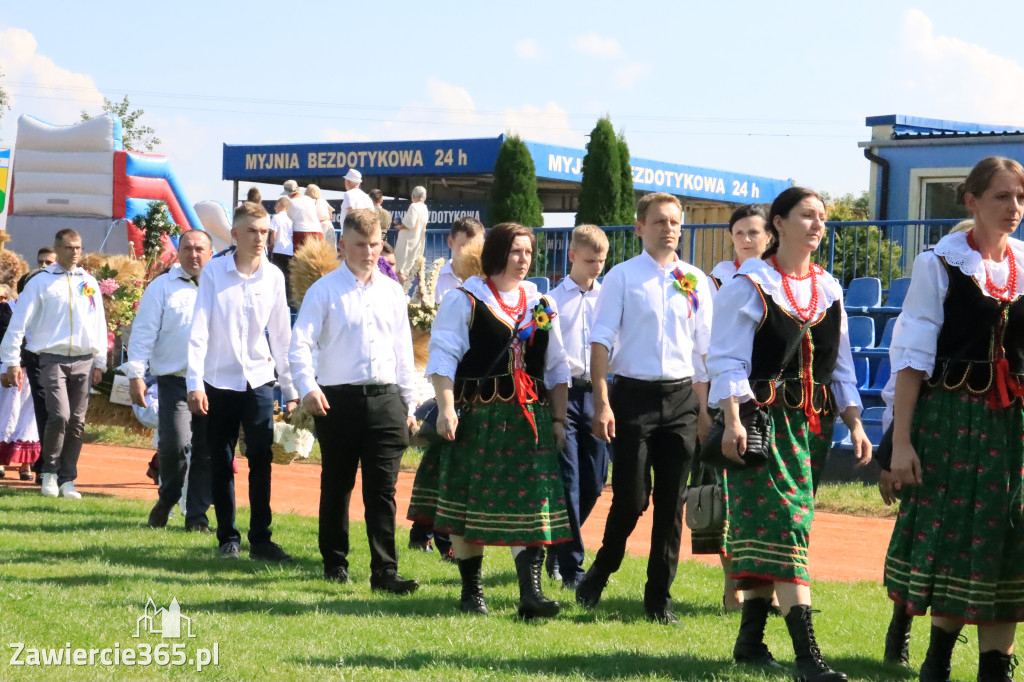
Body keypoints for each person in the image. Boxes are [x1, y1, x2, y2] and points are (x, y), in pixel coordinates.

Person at [707, 186, 870, 681]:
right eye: (806, 216)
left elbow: (839, 365)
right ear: (778, 223)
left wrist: (855, 421)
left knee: (769, 529)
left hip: (811, 429)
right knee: (786, 527)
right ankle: (808, 659)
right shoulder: (749, 283)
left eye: (822, 217)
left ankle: (750, 644)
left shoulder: (830, 289)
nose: (817, 225)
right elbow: (726, 359)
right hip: (762, 424)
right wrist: (733, 419)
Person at [885, 157, 1024, 682]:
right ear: (971, 201)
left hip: (1014, 429)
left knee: (1011, 537)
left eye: (1019, 198)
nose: (1013, 208)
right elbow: (912, 357)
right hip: (953, 423)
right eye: (1001, 198)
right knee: (953, 539)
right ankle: (937, 664)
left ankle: (996, 671)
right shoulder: (938, 263)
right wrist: (900, 443)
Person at [407, 222, 573, 618]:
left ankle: (530, 595)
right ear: (497, 253)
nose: (523, 260)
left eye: (529, 253)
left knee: (531, 507)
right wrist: (446, 408)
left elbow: (557, 366)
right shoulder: (465, 299)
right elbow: (443, 357)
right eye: (516, 252)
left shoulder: (541, 304)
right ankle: (471, 593)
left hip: (528, 419)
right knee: (467, 507)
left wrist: (559, 420)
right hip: (477, 419)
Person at [575, 192, 713, 625]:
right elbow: (600, 342)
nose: (669, 228)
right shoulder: (622, 277)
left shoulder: (695, 280)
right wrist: (602, 401)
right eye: (659, 221)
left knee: (673, 504)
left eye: (675, 221)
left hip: (682, 400)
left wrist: (705, 410)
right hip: (632, 397)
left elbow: (705, 352)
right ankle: (602, 568)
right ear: (639, 228)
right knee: (633, 499)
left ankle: (659, 599)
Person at [290, 209, 420, 594]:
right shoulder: (324, 290)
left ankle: (385, 572)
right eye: (360, 244)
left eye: (375, 244)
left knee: (382, 489)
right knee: (337, 485)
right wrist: (307, 386)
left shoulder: (393, 290)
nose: (368, 251)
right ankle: (335, 563)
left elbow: (403, 353)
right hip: (337, 401)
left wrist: (408, 406)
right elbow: (299, 344)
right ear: (342, 245)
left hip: (386, 400)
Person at [186, 201, 299, 561]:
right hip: (219, 381)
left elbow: (282, 337)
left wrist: (292, 389)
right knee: (221, 459)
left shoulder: (274, 276)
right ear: (234, 234)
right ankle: (227, 539)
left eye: (264, 231)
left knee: (261, 458)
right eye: (251, 231)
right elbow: (199, 329)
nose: (259, 238)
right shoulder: (215, 272)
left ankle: (261, 540)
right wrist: (194, 382)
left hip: (260, 380)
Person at [698, 204, 773, 612]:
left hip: (771, 402)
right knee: (728, 496)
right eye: (739, 231)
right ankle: (733, 589)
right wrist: (707, 405)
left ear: (768, 237)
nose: (746, 238)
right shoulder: (717, 280)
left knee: (770, 501)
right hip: (727, 399)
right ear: (731, 236)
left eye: (754, 232)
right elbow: (709, 347)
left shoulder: (781, 280)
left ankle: (771, 585)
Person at [0, 229, 107, 499]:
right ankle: (48, 471)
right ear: (57, 249)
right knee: (59, 415)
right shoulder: (40, 283)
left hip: (84, 358)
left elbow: (98, 322)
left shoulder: (89, 281)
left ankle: (67, 478)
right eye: (69, 247)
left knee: (78, 421)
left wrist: (101, 361)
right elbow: (18, 323)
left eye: (79, 248)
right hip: (51, 357)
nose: (75, 252)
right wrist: (11, 360)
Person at [127, 229, 215, 532]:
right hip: (174, 382)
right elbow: (142, 333)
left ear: (211, 252)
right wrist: (136, 374)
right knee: (174, 445)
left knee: (207, 451)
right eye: (188, 248)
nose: (194, 254)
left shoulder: (221, 286)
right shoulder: (161, 288)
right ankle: (168, 498)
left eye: (200, 249)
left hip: (213, 382)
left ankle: (197, 518)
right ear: (178, 252)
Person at [547, 224, 609, 590]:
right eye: (589, 260)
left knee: (596, 482)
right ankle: (573, 567)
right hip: (565, 393)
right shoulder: (553, 301)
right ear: (572, 256)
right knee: (569, 480)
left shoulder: (607, 298)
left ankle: (560, 543)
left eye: (601, 261)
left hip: (598, 394)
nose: (596, 267)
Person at [16, 247, 56, 485]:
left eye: (48, 261)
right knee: (44, 411)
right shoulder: (30, 282)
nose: (43, 266)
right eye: (40, 261)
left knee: (60, 415)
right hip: (35, 359)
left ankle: (56, 466)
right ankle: (43, 466)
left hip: (63, 360)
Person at [0, 285, 40, 481]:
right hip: (7, 369)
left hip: (33, 371)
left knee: (29, 416)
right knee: (5, 412)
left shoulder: (42, 312)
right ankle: (1, 460)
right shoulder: (5, 309)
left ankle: (26, 465)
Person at [434, 217, 485, 304]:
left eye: (476, 246)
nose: (470, 253)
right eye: (464, 246)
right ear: (450, 242)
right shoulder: (435, 281)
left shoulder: (490, 281)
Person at [395, 186, 429, 284]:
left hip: (407, 241)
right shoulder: (424, 208)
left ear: (413, 196)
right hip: (417, 241)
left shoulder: (414, 206)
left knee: (399, 269)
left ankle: (404, 291)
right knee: (409, 269)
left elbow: (410, 223)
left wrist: (400, 227)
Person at [282, 180, 322, 250]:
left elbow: (287, 221)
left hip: (301, 232)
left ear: (288, 193)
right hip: (318, 231)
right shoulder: (309, 199)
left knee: (300, 260)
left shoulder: (290, 203)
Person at [267, 197, 294, 301]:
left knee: (277, 274)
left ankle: (277, 297)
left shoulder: (276, 218)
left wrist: (271, 244)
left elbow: (273, 233)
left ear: (278, 205)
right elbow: (291, 237)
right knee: (287, 276)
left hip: (278, 250)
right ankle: (287, 298)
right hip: (289, 250)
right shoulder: (290, 220)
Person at [337, 170, 374, 237]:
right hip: (364, 233)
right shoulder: (367, 197)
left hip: (350, 233)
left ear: (348, 181)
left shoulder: (348, 194)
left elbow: (352, 213)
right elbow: (372, 216)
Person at [305, 183, 337, 250]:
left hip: (317, 228)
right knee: (331, 249)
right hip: (328, 225)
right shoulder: (323, 201)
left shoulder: (308, 202)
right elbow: (330, 216)